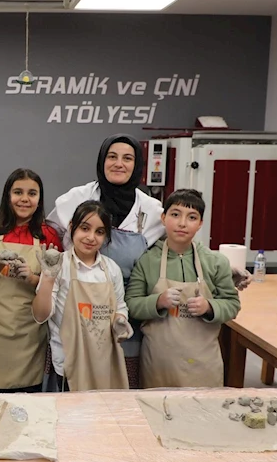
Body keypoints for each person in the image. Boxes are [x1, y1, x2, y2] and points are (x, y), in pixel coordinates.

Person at [48, 134, 251, 388]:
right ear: (101, 161)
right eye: (112, 157)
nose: (119, 163)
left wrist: (223, 267)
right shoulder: (75, 199)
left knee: (121, 386)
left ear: (137, 165)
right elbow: (48, 236)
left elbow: (181, 241)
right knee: (74, 381)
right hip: (77, 308)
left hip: (128, 310)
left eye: (127, 158)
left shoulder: (152, 209)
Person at [126, 189, 241, 388]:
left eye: (192, 217)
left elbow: (232, 304)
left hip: (203, 361)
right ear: (163, 218)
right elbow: (132, 304)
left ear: (201, 223)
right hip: (159, 362)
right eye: (175, 214)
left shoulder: (215, 262)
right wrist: (157, 301)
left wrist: (209, 307)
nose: (182, 223)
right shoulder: (147, 261)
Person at [0, 169, 62, 393]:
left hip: (30, 332)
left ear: (40, 199)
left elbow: (56, 284)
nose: (24, 199)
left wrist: (32, 278)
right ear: (8, 196)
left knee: (30, 400)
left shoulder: (49, 235)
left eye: (32, 193)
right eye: (18, 192)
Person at [33, 201, 133, 391]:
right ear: (72, 227)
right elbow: (40, 315)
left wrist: (120, 320)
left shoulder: (111, 269)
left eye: (99, 232)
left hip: (103, 360)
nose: (91, 237)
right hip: (68, 362)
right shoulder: (59, 265)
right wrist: (47, 279)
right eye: (85, 228)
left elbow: (120, 305)